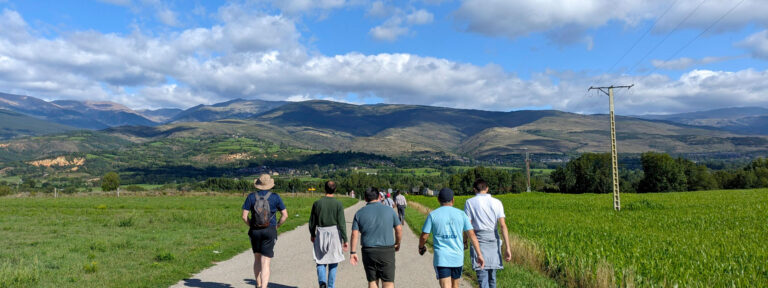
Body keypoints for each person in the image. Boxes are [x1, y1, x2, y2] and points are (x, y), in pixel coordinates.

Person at [419, 188, 484, 288]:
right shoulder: (462, 214)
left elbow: (424, 236)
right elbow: (472, 236)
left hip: (442, 258)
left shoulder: (433, 215)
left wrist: (421, 246)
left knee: (446, 286)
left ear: (438, 200)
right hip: (457, 257)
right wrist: (479, 254)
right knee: (455, 285)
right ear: (453, 200)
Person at [350, 188, 403, 288]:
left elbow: (354, 234)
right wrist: (397, 243)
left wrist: (353, 252)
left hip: (368, 251)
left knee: (372, 282)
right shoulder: (390, 210)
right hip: (387, 250)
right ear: (379, 196)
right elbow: (399, 229)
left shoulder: (359, 213)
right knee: (388, 282)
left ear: (365, 199)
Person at [241, 174, 288, 288]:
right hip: (270, 230)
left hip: (255, 231)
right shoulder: (275, 197)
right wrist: (277, 226)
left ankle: (258, 284)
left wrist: (252, 225)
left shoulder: (251, 197)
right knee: (265, 261)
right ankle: (264, 286)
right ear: (270, 185)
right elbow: (285, 215)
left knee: (257, 258)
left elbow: (244, 216)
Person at [464, 179, 512, 288]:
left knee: (482, 278)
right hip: (493, 240)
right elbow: (503, 225)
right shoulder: (497, 202)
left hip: (478, 241)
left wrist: (465, 240)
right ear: (487, 188)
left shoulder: (470, 202)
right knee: (492, 278)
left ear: (474, 190)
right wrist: (508, 248)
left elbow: (468, 225)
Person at [309, 181, 349, 288]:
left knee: (320, 260)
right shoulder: (338, 204)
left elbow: (312, 222)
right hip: (335, 233)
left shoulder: (317, 203)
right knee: (334, 260)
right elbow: (342, 223)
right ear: (335, 190)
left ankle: (322, 282)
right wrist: (345, 239)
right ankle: (331, 286)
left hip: (321, 232)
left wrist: (312, 234)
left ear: (324, 189)